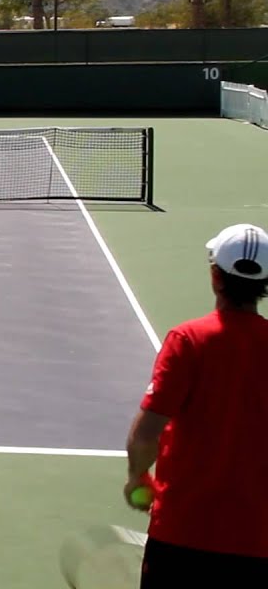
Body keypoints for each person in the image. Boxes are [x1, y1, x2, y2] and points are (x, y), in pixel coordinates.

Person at [124, 223, 268, 586]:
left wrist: (137, 477)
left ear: (215, 276)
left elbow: (146, 435)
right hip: (257, 541)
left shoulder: (188, 340)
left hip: (181, 536)